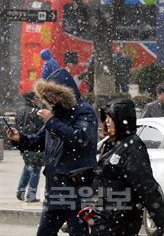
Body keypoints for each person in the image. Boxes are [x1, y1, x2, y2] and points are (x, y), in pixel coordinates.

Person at [4, 68, 98, 235]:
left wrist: (52, 121)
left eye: (54, 95)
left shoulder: (84, 111)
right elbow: (38, 141)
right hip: (55, 191)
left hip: (77, 191)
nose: (52, 100)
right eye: (49, 97)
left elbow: (81, 138)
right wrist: (20, 138)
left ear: (65, 93)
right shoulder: (56, 114)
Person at [89, 98, 164, 235]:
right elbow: (107, 176)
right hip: (105, 220)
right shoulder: (113, 144)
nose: (106, 122)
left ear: (121, 119)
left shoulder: (133, 147)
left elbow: (146, 187)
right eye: (105, 118)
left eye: (110, 118)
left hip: (120, 223)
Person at [14, 91, 45, 202]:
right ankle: (30, 196)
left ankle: (20, 191)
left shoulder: (19, 110)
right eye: (36, 98)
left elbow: (16, 126)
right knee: (35, 169)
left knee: (28, 166)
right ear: (32, 99)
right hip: (34, 143)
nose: (38, 100)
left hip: (23, 143)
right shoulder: (36, 112)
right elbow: (41, 129)